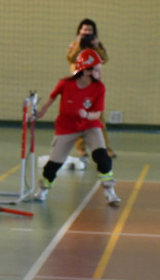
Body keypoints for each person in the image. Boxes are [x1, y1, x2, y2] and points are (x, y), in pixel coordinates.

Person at [33, 48, 120, 206]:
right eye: (97, 70)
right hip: (66, 127)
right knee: (53, 165)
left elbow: (97, 114)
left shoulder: (99, 88)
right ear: (86, 70)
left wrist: (86, 115)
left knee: (103, 158)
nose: (100, 73)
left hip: (90, 125)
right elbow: (52, 97)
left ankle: (110, 192)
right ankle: (43, 189)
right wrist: (42, 111)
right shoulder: (66, 84)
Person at [65, 18, 115, 159]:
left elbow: (104, 59)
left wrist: (96, 46)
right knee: (79, 117)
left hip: (93, 87)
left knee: (99, 118)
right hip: (78, 86)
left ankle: (105, 148)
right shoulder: (74, 45)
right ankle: (81, 148)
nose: (87, 32)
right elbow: (71, 59)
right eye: (84, 30)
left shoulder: (97, 46)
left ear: (94, 33)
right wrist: (79, 44)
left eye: (90, 30)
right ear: (79, 31)